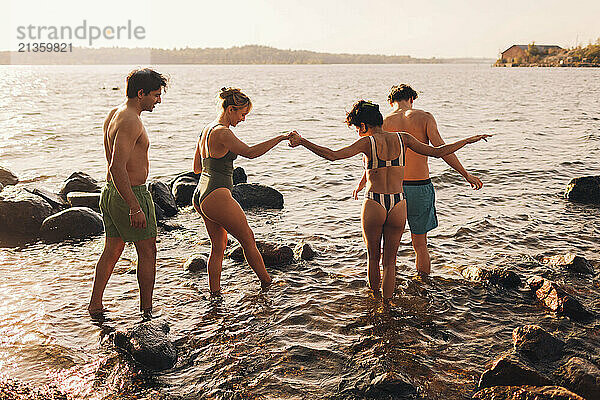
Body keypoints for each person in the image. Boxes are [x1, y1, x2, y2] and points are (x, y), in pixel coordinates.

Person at [289, 100, 490, 298]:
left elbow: (333, 155)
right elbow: (438, 152)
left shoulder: (367, 142)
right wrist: (467, 140)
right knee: (390, 262)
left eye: (358, 128)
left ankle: (375, 304)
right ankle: (387, 306)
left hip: (375, 202)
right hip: (398, 203)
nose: (358, 133)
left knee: (373, 258)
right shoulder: (404, 139)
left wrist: (303, 142)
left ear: (365, 125)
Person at [192, 87, 290, 294]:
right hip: (217, 194)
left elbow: (197, 168)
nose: (243, 119)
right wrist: (280, 138)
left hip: (201, 193)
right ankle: (267, 284)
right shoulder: (223, 132)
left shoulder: (206, 129)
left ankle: (215, 294)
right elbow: (251, 153)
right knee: (248, 240)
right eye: (242, 114)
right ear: (230, 110)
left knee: (218, 247)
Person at [88, 68, 167, 319]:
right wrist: (134, 206)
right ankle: (147, 311)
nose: (159, 100)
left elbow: (111, 164)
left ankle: (95, 305)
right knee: (148, 252)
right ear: (140, 93)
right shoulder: (131, 120)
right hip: (130, 193)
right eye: (155, 95)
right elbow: (116, 165)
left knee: (112, 250)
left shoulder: (115, 114)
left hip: (111, 192)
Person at [383, 84, 484, 276]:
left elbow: (374, 157)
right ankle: (423, 286)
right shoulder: (425, 117)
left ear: (390, 102)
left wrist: (363, 182)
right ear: (412, 99)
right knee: (420, 245)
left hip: (393, 189)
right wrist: (466, 174)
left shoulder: (384, 121)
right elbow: (442, 150)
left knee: (391, 247)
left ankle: (387, 291)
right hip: (420, 187)